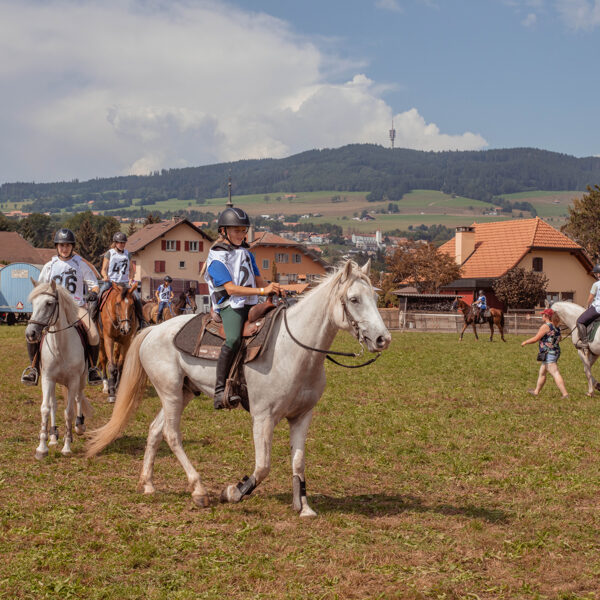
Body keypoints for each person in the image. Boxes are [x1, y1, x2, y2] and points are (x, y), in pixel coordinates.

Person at [204, 207, 280, 409]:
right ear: (223, 231)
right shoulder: (217, 257)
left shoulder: (246, 253)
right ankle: (219, 391)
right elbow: (230, 289)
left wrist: (272, 289)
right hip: (230, 305)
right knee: (234, 339)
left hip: (250, 302)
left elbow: (259, 280)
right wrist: (262, 291)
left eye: (243, 230)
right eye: (236, 230)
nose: (241, 234)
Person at [21, 228, 103, 386]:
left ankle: (92, 369)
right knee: (32, 332)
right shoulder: (49, 266)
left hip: (76, 307)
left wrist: (93, 292)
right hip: (53, 308)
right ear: (57, 247)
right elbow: (41, 287)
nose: (64, 248)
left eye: (67, 245)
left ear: (72, 247)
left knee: (93, 334)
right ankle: (33, 368)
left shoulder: (80, 265)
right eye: (61, 245)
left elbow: (94, 284)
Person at [98, 231, 147, 328]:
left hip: (124, 283)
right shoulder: (109, 253)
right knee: (98, 296)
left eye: (123, 242)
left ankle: (142, 321)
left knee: (137, 298)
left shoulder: (128, 254)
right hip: (111, 282)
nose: (122, 244)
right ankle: (93, 317)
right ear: (115, 243)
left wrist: (131, 279)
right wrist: (105, 276)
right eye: (120, 242)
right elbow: (103, 269)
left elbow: (131, 270)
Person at [521, 307, 568, 399]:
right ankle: (536, 392)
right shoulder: (556, 326)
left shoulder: (546, 326)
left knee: (555, 373)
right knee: (542, 373)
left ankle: (565, 394)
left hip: (549, 353)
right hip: (555, 352)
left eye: (543, 315)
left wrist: (525, 342)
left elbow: (536, 338)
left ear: (546, 316)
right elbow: (559, 339)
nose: (542, 316)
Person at [575, 264, 600, 351]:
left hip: (598, 308)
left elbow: (590, 298)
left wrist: (588, 306)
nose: (596, 275)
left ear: (598, 274)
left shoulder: (596, 284)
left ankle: (585, 343)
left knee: (580, 321)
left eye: (596, 273)